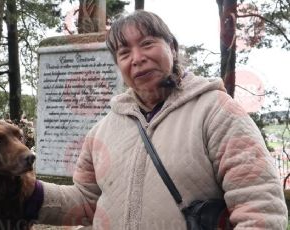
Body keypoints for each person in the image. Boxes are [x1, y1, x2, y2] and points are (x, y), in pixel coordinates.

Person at [26, 10, 288, 229]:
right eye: (124, 52)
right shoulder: (101, 132)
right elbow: (86, 203)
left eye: (148, 43)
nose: (138, 59)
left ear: (172, 48)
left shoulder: (218, 113)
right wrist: (28, 192)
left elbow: (259, 209)